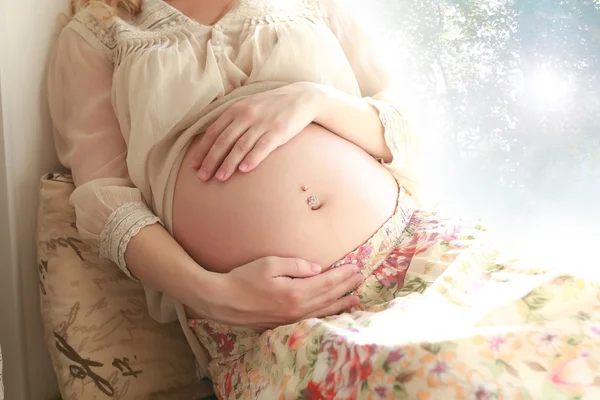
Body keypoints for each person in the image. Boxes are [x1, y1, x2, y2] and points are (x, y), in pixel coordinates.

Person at [48, 0, 425, 395]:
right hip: (271, 317)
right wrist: (214, 295)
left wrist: (314, 99)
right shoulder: (101, 32)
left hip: (407, 250)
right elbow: (103, 201)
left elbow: (404, 129)